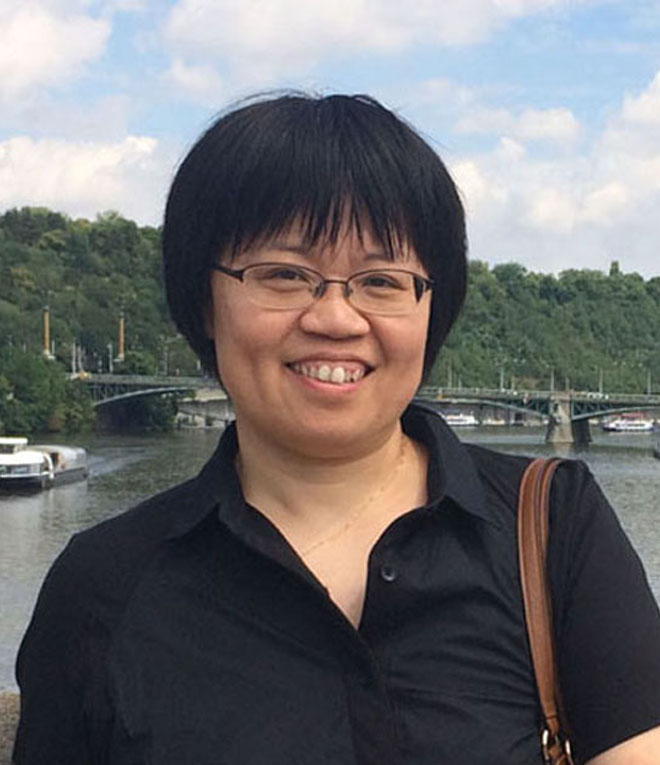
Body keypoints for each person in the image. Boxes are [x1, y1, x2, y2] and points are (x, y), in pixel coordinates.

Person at [13, 93, 660, 765]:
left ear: (431, 306)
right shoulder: (102, 585)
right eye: (284, 274)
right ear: (205, 300)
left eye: (381, 281)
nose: (336, 318)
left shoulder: (552, 525)